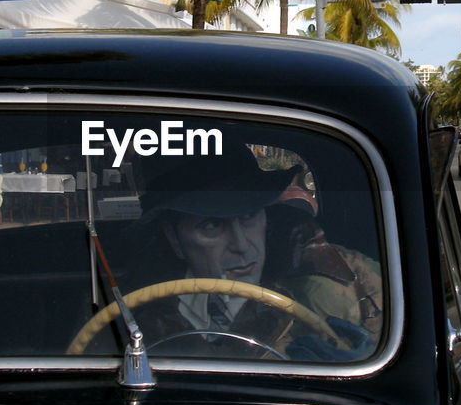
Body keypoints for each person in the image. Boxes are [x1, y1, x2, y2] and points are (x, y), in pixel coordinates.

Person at [131, 143, 381, 359]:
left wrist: (362, 361)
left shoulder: (346, 275)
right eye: (212, 225)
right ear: (174, 238)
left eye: (250, 215)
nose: (241, 245)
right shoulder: (131, 310)